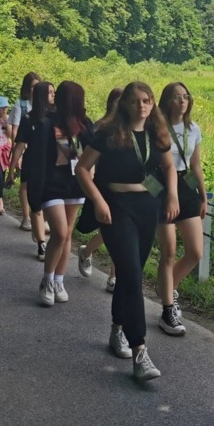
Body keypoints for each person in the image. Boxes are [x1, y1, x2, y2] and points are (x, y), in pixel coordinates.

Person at [76, 81, 179, 381]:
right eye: (135, 101)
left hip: (148, 207)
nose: (142, 106)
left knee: (129, 273)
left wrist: (172, 195)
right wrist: (98, 200)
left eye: (146, 101)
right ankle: (140, 351)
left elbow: (169, 167)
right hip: (116, 208)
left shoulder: (157, 132)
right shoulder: (108, 133)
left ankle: (117, 328)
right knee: (132, 273)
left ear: (153, 103)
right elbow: (82, 169)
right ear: (125, 105)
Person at [27, 81, 92, 307]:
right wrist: (34, 196)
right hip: (51, 186)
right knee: (60, 232)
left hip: (74, 186)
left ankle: (59, 280)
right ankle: (47, 280)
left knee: (68, 233)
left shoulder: (84, 125)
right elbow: (37, 161)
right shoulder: (46, 123)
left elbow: (94, 151)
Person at [153, 82, 208, 337]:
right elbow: (145, 164)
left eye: (186, 96)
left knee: (196, 251)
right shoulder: (155, 127)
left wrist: (203, 196)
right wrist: (154, 194)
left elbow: (195, 165)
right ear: (167, 100)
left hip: (186, 185)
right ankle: (167, 310)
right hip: (160, 185)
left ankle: (167, 287)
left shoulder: (193, 128)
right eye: (177, 97)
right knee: (169, 251)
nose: (183, 101)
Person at [78, 87, 121, 290]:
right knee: (111, 229)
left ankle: (114, 276)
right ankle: (87, 251)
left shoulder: (127, 128)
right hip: (102, 184)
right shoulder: (100, 127)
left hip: (122, 188)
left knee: (119, 231)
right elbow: (87, 160)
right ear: (112, 103)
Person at [7, 80, 54, 261]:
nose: (53, 95)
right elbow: (20, 145)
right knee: (36, 203)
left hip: (52, 167)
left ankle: (40, 227)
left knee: (49, 203)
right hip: (33, 165)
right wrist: (12, 168)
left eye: (54, 92)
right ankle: (41, 243)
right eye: (49, 92)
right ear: (41, 95)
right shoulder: (28, 118)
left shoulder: (57, 117)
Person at [9, 72, 40, 232]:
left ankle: (39, 217)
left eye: (37, 86)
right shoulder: (20, 104)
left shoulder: (46, 106)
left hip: (39, 150)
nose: (35, 90)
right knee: (25, 184)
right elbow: (15, 129)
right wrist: (17, 153)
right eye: (32, 87)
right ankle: (26, 217)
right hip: (25, 146)